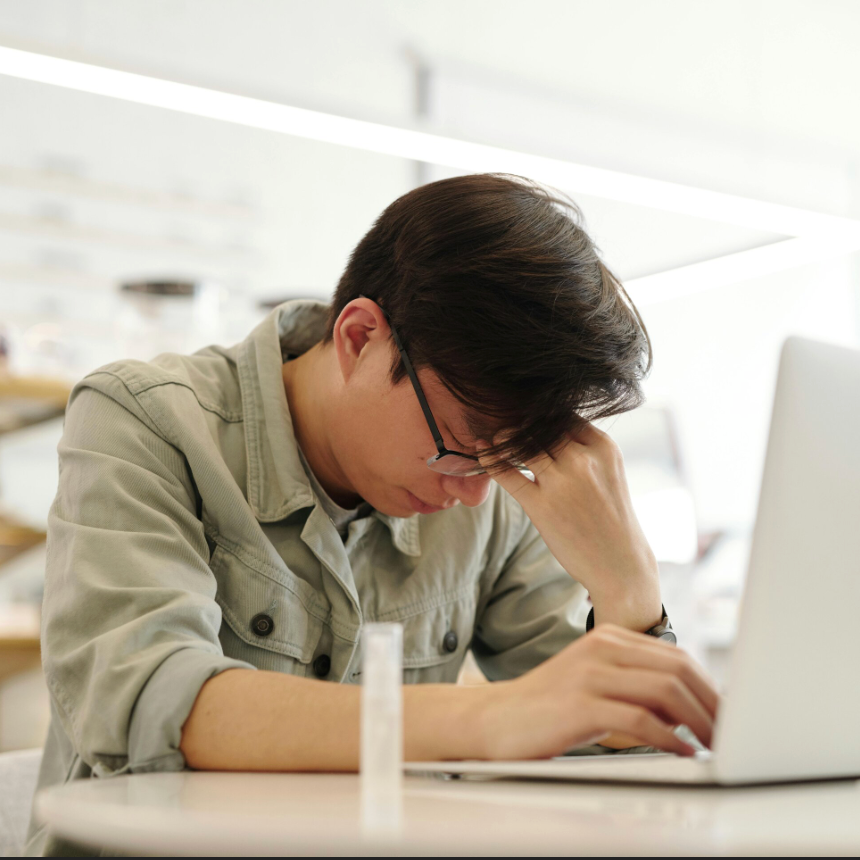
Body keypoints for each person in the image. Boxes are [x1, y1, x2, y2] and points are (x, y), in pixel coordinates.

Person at [26, 173, 718, 856]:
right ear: (360, 337)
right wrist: (495, 718)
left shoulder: (481, 488)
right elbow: (152, 704)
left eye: (503, 459)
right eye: (460, 442)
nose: (474, 492)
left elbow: (616, 732)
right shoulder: (144, 420)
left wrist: (629, 590)